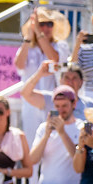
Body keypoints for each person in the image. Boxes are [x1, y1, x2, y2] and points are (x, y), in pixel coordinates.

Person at [16, 7, 72, 142]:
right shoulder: (28, 47)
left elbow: (55, 58)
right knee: (31, 143)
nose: (45, 28)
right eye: (41, 24)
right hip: (30, 102)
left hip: (53, 103)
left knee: (52, 142)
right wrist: (28, 38)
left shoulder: (61, 45)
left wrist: (39, 35)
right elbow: (19, 64)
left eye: (49, 24)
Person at [29, 85, 84, 184]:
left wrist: (62, 132)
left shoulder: (80, 127)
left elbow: (77, 159)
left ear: (74, 104)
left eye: (64, 106)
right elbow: (32, 159)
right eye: (57, 106)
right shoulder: (44, 128)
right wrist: (47, 135)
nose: (60, 110)